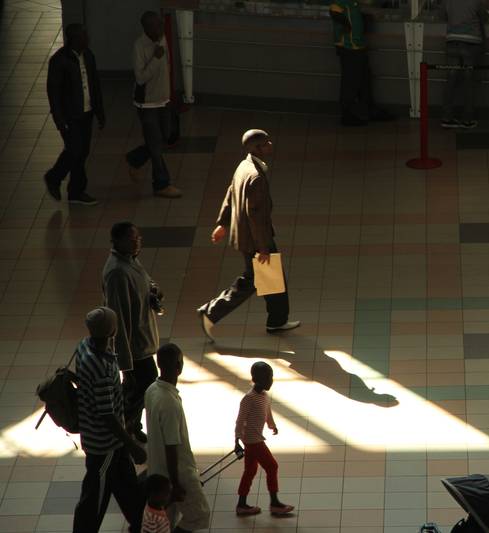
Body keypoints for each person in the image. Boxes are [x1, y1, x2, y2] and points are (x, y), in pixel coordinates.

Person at [197, 129, 300, 340]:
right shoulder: (255, 177)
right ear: (257, 148)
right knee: (253, 279)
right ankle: (211, 312)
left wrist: (222, 224)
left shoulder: (244, 166)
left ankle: (277, 321)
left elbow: (231, 192)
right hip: (255, 238)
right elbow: (256, 215)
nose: (270, 144)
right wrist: (263, 247)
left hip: (248, 235)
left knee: (272, 278)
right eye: (266, 143)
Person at [73, 307, 146, 533]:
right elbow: (107, 415)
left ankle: (141, 523)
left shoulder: (85, 345)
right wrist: (131, 443)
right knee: (95, 496)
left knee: (128, 487)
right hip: (104, 446)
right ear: (112, 330)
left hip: (109, 442)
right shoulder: (101, 368)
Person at [103, 222, 160, 443]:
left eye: (138, 238)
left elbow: (144, 281)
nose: (137, 242)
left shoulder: (130, 260)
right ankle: (125, 431)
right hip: (134, 347)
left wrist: (152, 290)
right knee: (140, 388)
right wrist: (124, 360)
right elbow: (118, 317)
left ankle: (133, 427)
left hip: (141, 340)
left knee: (137, 389)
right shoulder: (117, 272)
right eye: (131, 239)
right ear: (117, 242)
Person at [144, 343, 211, 533]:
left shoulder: (151, 390)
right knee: (198, 515)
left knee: (167, 518)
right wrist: (176, 485)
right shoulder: (170, 403)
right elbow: (172, 446)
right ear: (179, 366)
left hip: (157, 468)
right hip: (177, 472)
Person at [45, 23, 104, 206]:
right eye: (83, 36)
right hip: (70, 115)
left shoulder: (88, 55)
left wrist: (100, 111)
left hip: (86, 112)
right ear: (74, 39)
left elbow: (94, 84)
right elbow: (53, 92)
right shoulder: (60, 60)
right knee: (74, 150)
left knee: (82, 152)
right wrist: (59, 118)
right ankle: (55, 177)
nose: (87, 39)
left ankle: (76, 191)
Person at [125, 11, 182, 199]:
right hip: (147, 103)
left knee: (165, 136)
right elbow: (140, 78)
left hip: (163, 99)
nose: (160, 29)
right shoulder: (139, 46)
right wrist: (155, 59)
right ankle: (161, 183)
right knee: (156, 145)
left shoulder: (162, 38)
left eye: (160, 25)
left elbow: (166, 68)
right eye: (156, 26)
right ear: (146, 28)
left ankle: (135, 158)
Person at [234, 361, 295, 517]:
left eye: (271, 377)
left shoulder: (264, 396)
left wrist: (271, 425)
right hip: (253, 440)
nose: (271, 381)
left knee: (250, 471)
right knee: (272, 466)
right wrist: (237, 440)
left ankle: (241, 504)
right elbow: (240, 420)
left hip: (254, 439)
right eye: (268, 377)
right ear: (256, 379)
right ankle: (274, 503)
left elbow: (267, 412)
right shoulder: (249, 398)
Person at [329, 0, 394, 126]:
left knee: (364, 79)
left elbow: (360, 6)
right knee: (351, 80)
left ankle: (367, 109)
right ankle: (348, 114)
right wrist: (348, 25)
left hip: (358, 44)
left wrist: (370, 12)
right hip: (349, 46)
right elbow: (334, 9)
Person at [439, 0, 489, 129]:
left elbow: (442, 16)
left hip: (452, 41)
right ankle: (467, 119)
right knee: (468, 80)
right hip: (471, 43)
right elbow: (484, 17)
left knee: (450, 79)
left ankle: (446, 117)